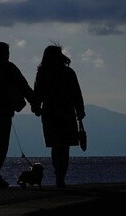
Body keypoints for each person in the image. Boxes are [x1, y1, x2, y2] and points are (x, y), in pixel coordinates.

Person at [0, 41, 36, 189]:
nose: (8, 56)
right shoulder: (9, 68)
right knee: (2, 147)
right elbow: (24, 86)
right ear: (3, 54)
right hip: (2, 113)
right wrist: (35, 102)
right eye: (7, 53)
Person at [31, 44, 86, 188]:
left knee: (56, 146)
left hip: (50, 113)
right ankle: (61, 175)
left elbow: (37, 93)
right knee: (65, 147)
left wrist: (36, 107)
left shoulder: (42, 72)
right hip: (67, 112)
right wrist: (80, 111)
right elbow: (76, 94)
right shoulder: (68, 72)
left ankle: (58, 174)